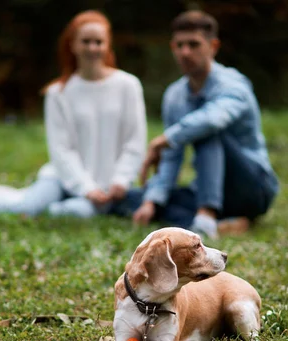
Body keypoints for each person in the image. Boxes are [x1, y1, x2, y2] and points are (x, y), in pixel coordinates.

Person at [0, 10, 147, 218]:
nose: (92, 48)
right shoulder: (58, 93)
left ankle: (44, 205)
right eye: (85, 41)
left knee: (76, 213)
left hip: (108, 188)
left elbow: (134, 141)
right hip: (61, 178)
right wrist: (85, 188)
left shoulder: (128, 85)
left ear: (108, 45)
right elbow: (61, 150)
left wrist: (120, 180)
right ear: (72, 45)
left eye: (98, 42)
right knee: (27, 207)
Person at [111, 10, 278, 238]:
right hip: (206, 188)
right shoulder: (174, 95)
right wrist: (152, 201)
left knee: (206, 130)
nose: (185, 52)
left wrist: (166, 138)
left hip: (252, 188)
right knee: (136, 199)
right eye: (179, 45)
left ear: (214, 46)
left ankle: (206, 215)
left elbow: (212, 119)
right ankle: (220, 224)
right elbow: (171, 157)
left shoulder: (233, 85)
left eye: (193, 44)